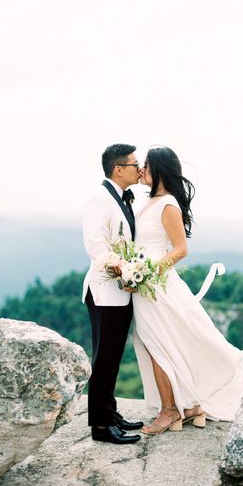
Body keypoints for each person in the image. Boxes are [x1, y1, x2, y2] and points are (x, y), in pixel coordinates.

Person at [132, 147, 243, 435]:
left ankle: (169, 412)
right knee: (156, 343)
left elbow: (180, 250)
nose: (141, 170)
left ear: (160, 171)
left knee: (157, 345)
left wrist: (147, 273)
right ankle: (190, 407)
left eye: (147, 166)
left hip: (156, 285)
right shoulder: (151, 201)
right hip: (144, 284)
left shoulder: (168, 205)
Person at [82, 143, 144, 444]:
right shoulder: (98, 200)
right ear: (118, 169)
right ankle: (101, 427)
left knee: (114, 358)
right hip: (105, 292)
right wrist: (123, 270)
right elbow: (97, 248)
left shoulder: (123, 198)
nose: (139, 168)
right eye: (135, 164)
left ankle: (111, 413)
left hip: (122, 292)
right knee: (103, 360)